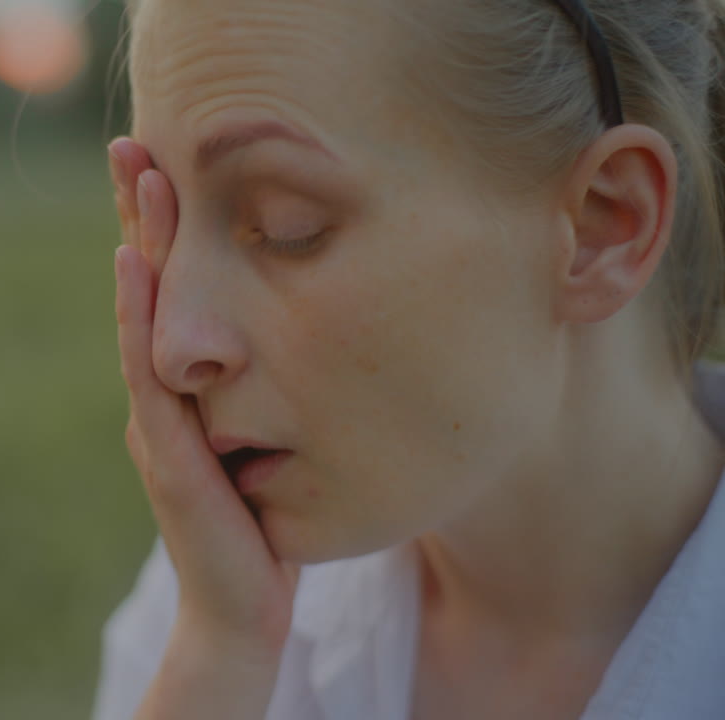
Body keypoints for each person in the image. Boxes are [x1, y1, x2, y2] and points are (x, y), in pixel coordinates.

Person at [92, 0, 725, 718]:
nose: (173, 346)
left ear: (604, 225)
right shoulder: (213, 594)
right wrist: (219, 656)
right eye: (161, 229)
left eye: (285, 226)